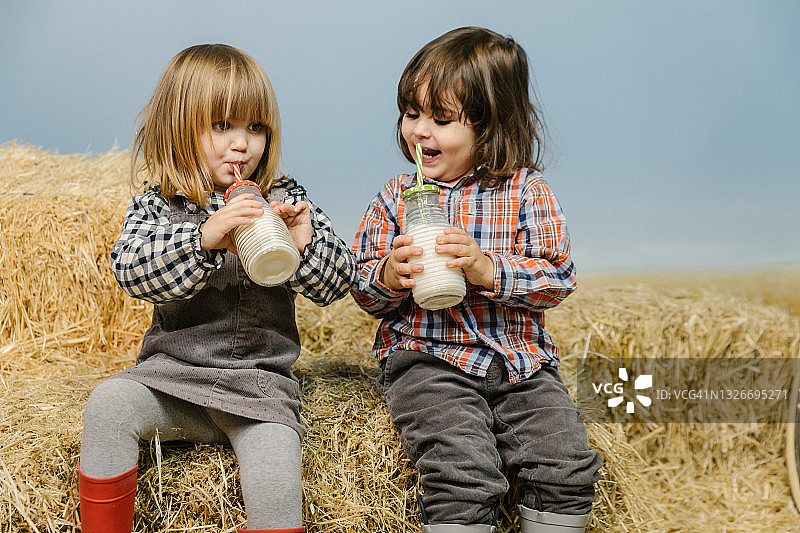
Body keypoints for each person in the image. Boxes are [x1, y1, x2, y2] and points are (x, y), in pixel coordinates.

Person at [78, 44, 354, 533]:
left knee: (277, 471)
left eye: (255, 128)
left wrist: (299, 245)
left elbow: (337, 284)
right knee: (107, 405)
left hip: (258, 390)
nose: (241, 145)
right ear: (182, 129)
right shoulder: (161, 204)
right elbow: (132, 271)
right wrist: (204, 238)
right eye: (222, 126)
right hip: (173, 380)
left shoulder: (286, 198)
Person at [351, 27, 603, 533]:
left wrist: (488, 269)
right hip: (430, 358)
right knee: (462, 472)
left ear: (489, 125)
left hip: (521, 363)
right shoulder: (395, 197)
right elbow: (362, 287)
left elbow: (557, 277)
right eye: (412, 113)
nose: (420, 131)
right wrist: (390, 277)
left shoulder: (528, 192)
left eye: (441, 119)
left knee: (567, 464)